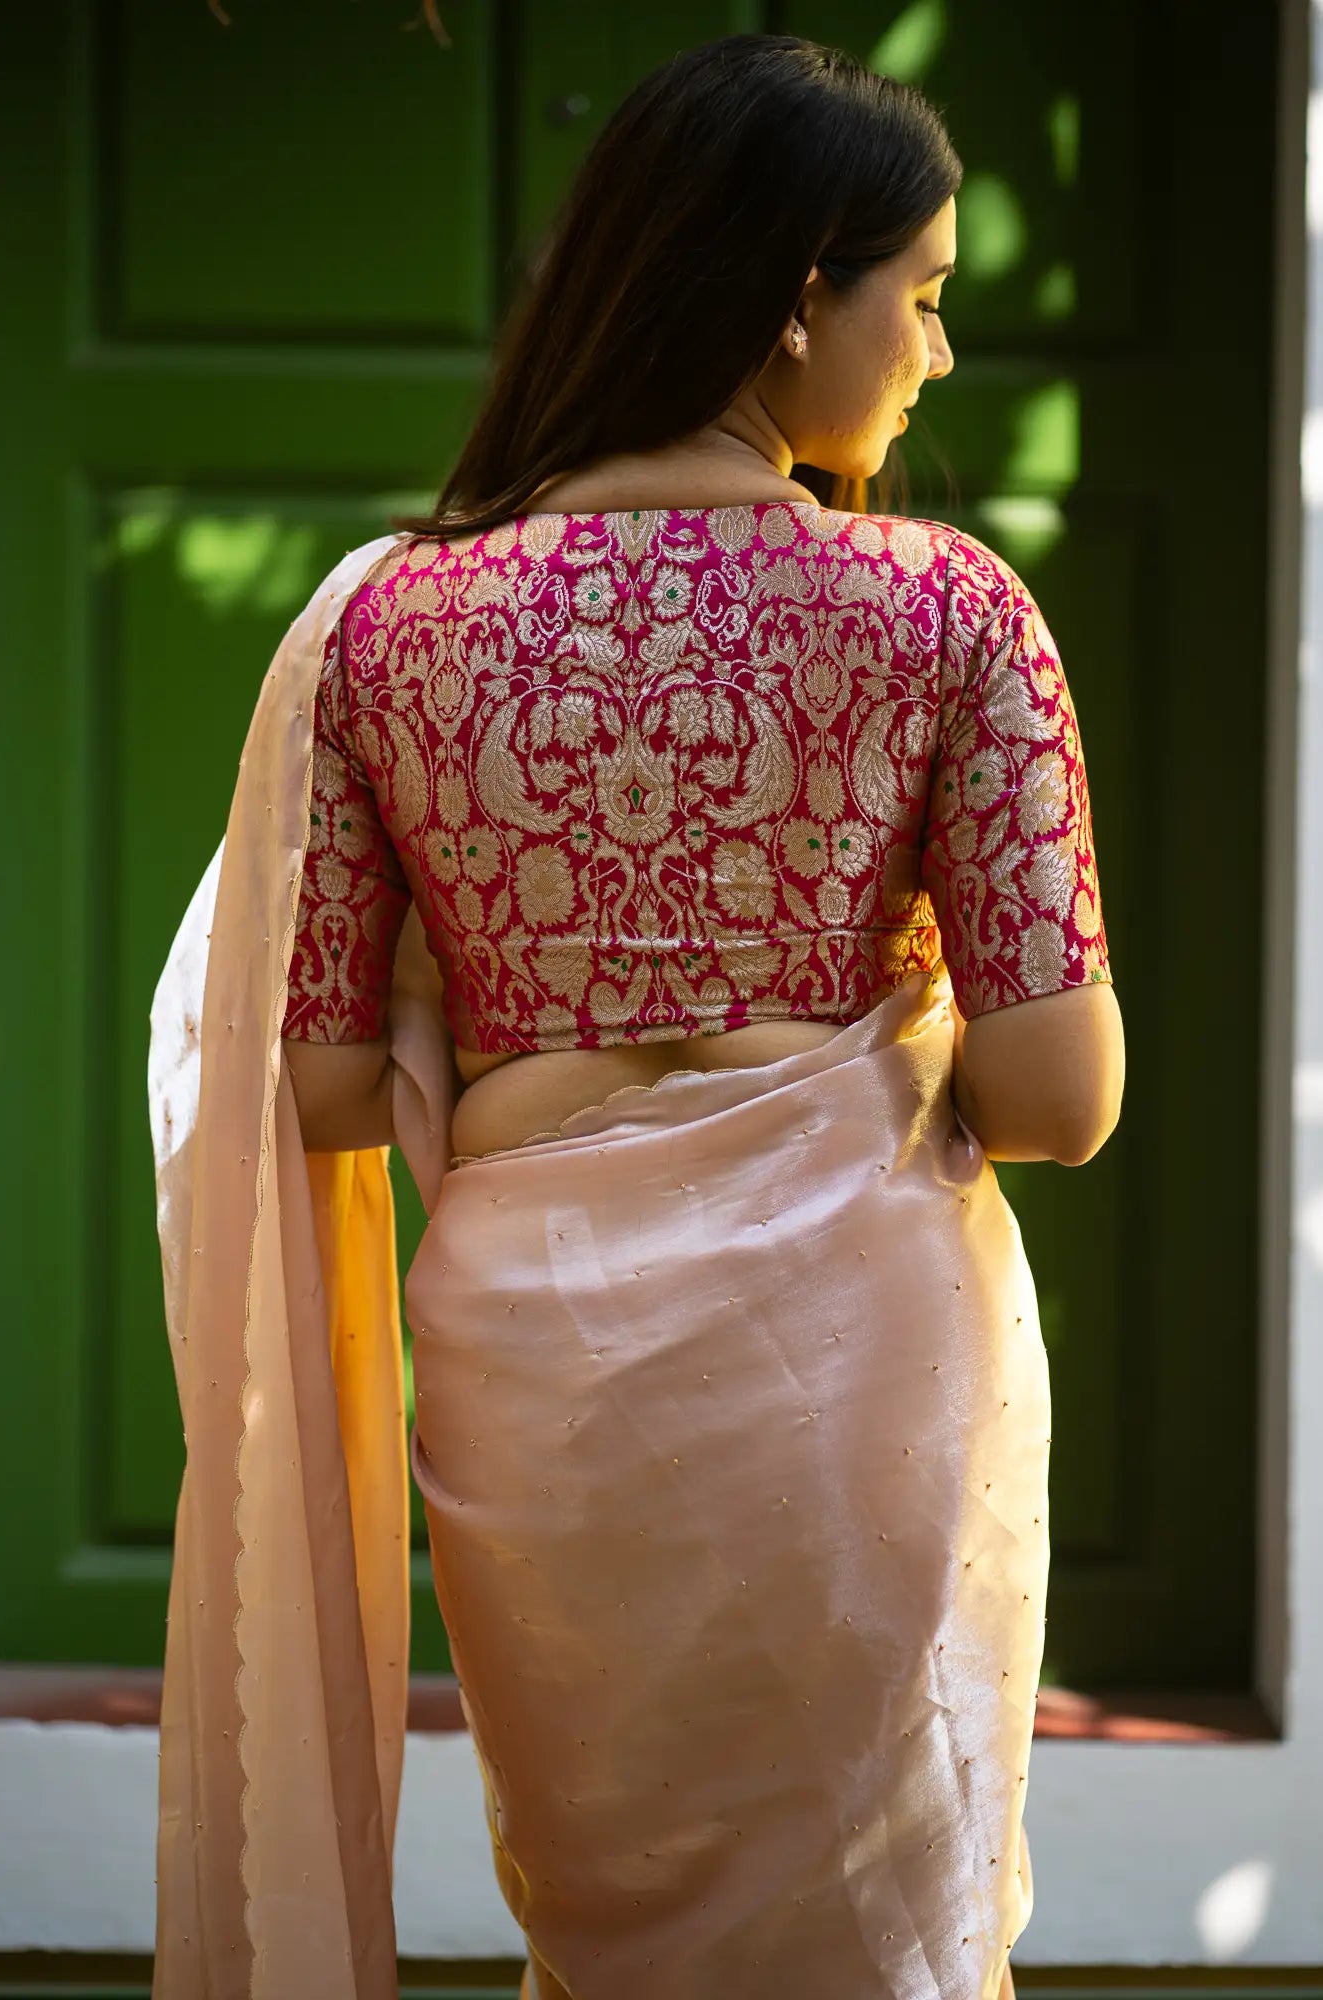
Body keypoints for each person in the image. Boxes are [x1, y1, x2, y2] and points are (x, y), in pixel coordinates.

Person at [149, 33, 1123, 2000]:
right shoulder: (948, 611)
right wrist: (862, 1023)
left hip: (544, 1358)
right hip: (860, 1339)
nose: (937, 354)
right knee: (874, 1931)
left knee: (615, 1920)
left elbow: (323, 1088)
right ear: (798, 298)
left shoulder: (385, 623)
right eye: (922, 296)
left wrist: (548, 1008)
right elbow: (1053, 1100)